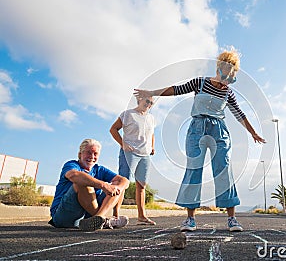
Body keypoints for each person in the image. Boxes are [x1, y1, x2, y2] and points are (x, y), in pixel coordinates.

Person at [134, 49, 266, 232]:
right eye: (227, 74)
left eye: (233, 75)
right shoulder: (200, 82)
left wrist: (253, 133)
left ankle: (232, 219)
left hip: (219, 130)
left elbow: (239, 114)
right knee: (194, 169)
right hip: (197, 128)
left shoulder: (229, 92)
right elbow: (176, 90)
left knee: (223, 170)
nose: (228, 79)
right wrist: (152, 92)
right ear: (219, 68)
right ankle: (190, 219)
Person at [49, 139, 130, 231]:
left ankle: (100, 218)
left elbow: (125, 181)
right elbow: (73, 175)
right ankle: (104, 220)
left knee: (118, 185)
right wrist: (103, 185)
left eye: (95, 154)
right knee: (83, 182)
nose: (92, 157)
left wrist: (117, 188)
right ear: (80, 154)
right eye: (88, 152)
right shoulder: (71, 165)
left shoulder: (99, 169)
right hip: (64, 216)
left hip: (86, 218)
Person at [110, 96, 157, 225]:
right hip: (129, 153)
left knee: (141, 186)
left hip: (145, 155)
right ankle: (115, 216)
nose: (149, 104)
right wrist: (122, 143)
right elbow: (113, 129)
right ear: (139, 100)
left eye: (151, 103)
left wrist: (152, 146)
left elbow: (151, 133)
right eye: (147, 101)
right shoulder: (128, 114)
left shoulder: (151, 118)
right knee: (123, 183)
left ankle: (142, 216)